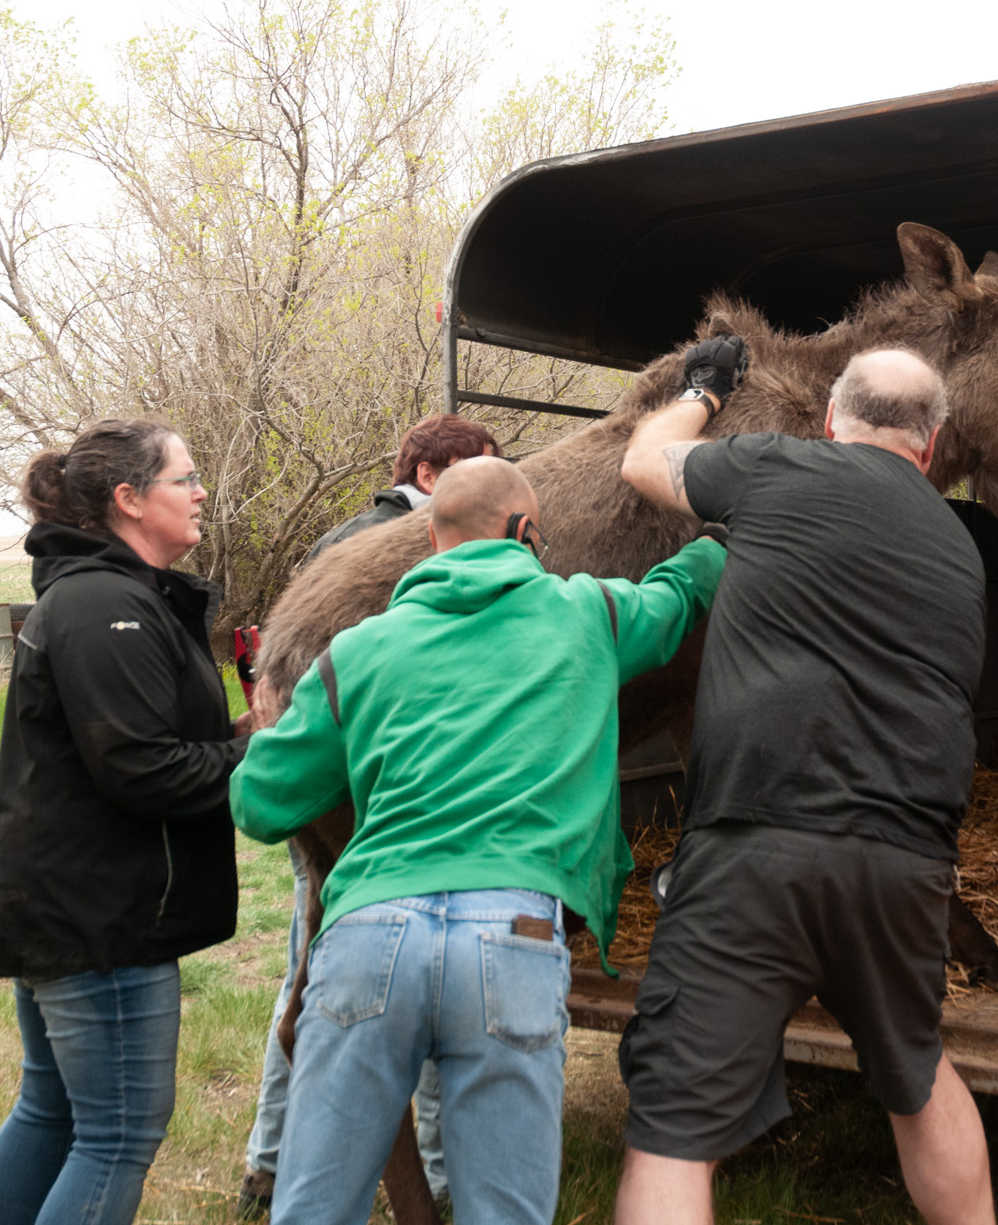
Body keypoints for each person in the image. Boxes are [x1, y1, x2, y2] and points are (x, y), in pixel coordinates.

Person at [229, 456, 725, 1225]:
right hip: (514, 938)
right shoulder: (588, 614)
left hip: (367, 939)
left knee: (315, 1209)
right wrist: (716, 541)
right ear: (528, 533)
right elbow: (678, 593)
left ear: (430, 539)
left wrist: (297, 737)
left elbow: (260, 804)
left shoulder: (357, 652)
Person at [614, 341, 996, 1225]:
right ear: (930, 447)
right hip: (906, 862)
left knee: (674, 1124)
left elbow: (643, 460)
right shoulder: (957, 546)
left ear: (831, 420)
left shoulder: (776, 468)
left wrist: (702, 393)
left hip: (756, 844)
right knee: (919, 1071)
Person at [0, 419, 252, 1225]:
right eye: (183, 479)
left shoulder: (115, 595)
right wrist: (261, 762)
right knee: (116, 1134)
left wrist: (237, 738)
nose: (200, 494)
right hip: (98, 918)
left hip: (65, 901)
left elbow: (139, 743)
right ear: (129, 499)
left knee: (53, 1113)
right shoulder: (104, 603)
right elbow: (140, 769)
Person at [239, 410, 498, 1218]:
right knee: (347, 984)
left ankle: (272, 1167)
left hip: (324, 778)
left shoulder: (351, 539)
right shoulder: (380, 554)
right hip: (361, 796)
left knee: (318, 975)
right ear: (430, 479)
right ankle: (430, 1182)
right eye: (476, 473)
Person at [300, 412, 502, 568]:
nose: (490, 484)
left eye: (494, 472)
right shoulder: (354, 544)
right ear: (428, 476)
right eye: (476, 470)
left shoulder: (336, 540)